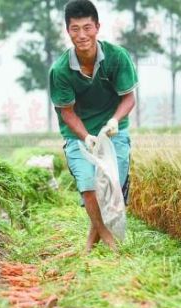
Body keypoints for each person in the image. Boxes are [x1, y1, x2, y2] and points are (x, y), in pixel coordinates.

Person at [49, 0, 137, 251]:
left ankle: (91, 241)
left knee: (111, 186)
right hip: (78, 135)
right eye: (75, 29)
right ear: (68, 31)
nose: (82, 35)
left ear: (98, 27)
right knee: (89, 186)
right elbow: (66, 112)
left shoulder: (117, 57)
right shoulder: (60, 70)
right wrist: (86, 136)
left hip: (113, 131)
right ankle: (110, 242)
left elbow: (128, 98)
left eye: (87, 27)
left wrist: (113, 121)